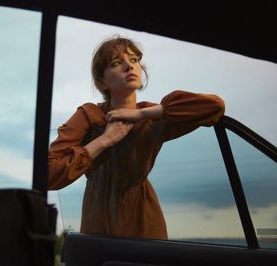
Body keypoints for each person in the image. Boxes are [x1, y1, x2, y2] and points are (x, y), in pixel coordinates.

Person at [48, 36, 225, 240]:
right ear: (101, 82)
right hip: (98, 223)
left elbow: (215, 107)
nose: (128, 66)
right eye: (116, 63)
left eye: (134, 60)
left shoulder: (152, 115)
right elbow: (49, 173)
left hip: (144, 222)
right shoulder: (90, 115)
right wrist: (104, 140)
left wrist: (142, 114)